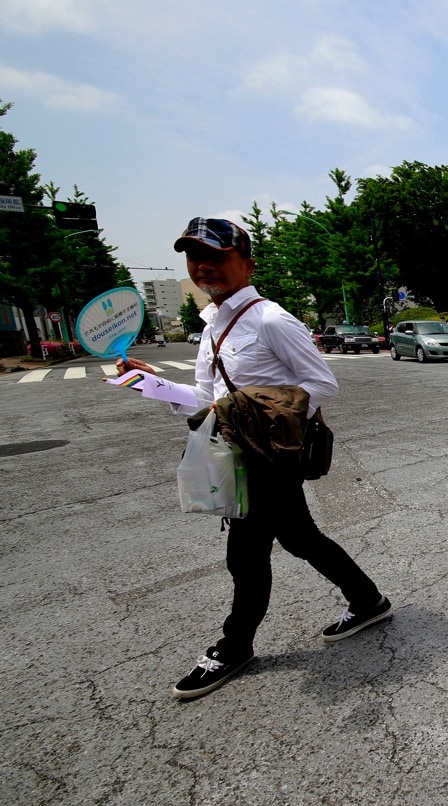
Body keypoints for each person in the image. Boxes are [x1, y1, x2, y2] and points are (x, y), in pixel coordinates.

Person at [118, 218, 392, 700]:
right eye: (194, 257)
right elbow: (206, 396)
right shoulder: (211, 324)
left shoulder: (270, 319)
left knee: (245, 556)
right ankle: (368, 600)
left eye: (218, 257)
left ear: (246, 263)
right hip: (234, 455)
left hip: (269, 456)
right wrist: (148, 382)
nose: (204, 267)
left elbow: (322, 383)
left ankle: (234, 645)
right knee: (301, 537)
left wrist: (257, 411)